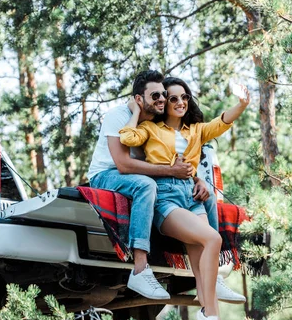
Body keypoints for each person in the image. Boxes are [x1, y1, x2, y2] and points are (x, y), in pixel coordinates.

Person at [119, 76, 250, 320]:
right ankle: (207, 314)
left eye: (184, 97)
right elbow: (128, 137)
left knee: (202, 259)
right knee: (212, 237)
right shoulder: (151, 129)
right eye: (173, 98)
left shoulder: (196, 130)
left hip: (191, 194)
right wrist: (135, 112)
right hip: (166, 197)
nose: (180, 102)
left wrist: (243, 103)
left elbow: (222, 121)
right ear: (164, 102)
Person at [87, 70, 212, 301]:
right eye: (155, 95)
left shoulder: (157, 122)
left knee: (206, 196)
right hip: (106, 174)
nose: (162, 100)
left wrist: (196, 179)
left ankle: (211, 279)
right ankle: (140, 269)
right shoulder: (118, 116)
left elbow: (173, 161)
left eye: (164, 94)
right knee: (145, 185)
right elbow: (123, 165)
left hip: (143, 175)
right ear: (138, 99)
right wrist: (169, 171)